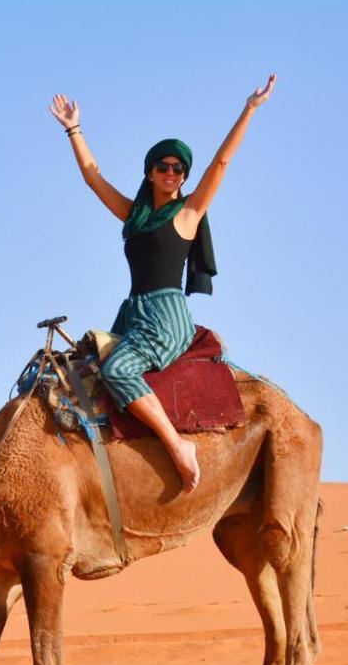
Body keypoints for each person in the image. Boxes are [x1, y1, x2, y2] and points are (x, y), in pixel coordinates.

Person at [48, 76, 276, 493]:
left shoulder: (187, 215)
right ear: (150, 173)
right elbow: (92, 177)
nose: (172, 173)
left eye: (179, 168)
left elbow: (220, 164)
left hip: (166, 317)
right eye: (164, 167)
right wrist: (73, 129)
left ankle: (177, 446)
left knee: (118, 369)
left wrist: (250, 109)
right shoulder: (134, 217)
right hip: (133, 314)